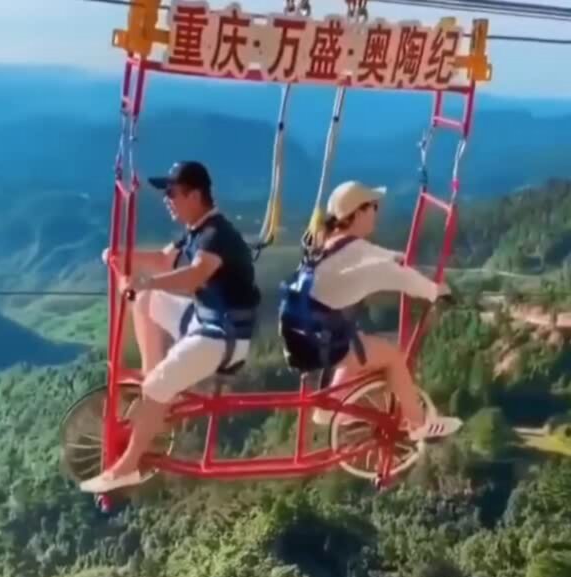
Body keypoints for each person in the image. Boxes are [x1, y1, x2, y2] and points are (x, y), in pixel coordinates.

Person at [81, 161, 261, 494]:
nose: (167, 199)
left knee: (156, 384)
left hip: (223, 337)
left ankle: (127, 466)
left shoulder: (215, 235)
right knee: (148, 302)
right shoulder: (197, 231)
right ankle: (156, 379)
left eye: (173, 192)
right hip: (204, 320)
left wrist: (145, 281)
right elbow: (164, 259)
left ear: (195, 195)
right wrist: (120, 255)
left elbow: (195, 275)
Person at [284, 180, 462, 440]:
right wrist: (437, 291)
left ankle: (330, 406)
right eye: (373, 207)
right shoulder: (356, 253)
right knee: (392, 357)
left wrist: (394, 256)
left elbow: (372, 256)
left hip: (300, 334)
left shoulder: (327, 243)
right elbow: (401, 279)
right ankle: (418, 423)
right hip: (321, 340)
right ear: (357, 213)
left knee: (358, 344)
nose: (377, 212)